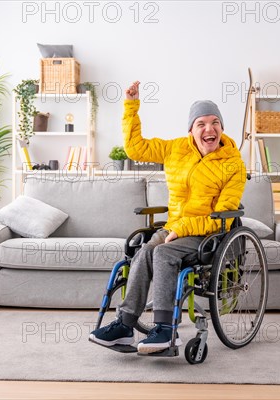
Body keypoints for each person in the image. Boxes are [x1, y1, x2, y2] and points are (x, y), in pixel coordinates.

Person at [90, 81, 246, 354]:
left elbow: (223, 212)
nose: (209, 129)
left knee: (162, 253)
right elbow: (135, 149)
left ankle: (165, 330)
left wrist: (185, 226)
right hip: (175, 227)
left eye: (215, 123)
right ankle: (125, 325)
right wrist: (131, 106)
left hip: (208, 232)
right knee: (144, 252)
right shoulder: (176, 149)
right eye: (201, 124)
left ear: (221, 127)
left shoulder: (233, 163)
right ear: (191, 130)